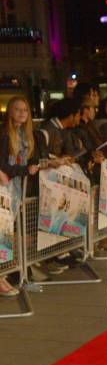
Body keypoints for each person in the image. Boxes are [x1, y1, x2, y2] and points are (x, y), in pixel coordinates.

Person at [0, 96, 39, 296]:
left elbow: (33, 158)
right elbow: (3, 165)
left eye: (25, 109)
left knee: (7, 232)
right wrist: (25, 169)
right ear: (10, 112)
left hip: (14, 190)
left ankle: (3, 274)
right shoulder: (5, 133)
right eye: (18, 109)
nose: (22, 112)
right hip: (4, 189)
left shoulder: (25, 135)